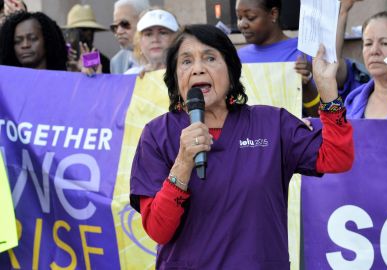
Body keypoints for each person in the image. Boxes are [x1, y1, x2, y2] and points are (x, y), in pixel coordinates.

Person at [129, 24, 353, 269]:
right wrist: (182, 164)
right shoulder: (157, 135)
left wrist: (328, 89)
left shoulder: (271, 124)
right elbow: (158, 231)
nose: (197, 69)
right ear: (174, 77)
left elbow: (337, 158)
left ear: (231, 70)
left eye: (210, 58)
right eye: (186, 62)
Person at [235, 0, 368, 116]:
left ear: (273, 14)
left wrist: (342, 11)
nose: (242, 24)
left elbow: (321, 111)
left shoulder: (304, 51)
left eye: (250, 17)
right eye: (239, 17)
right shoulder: (237, 57)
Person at [0, 11, 67, 71]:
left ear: (47, 40)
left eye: (33, 38)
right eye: (18, 41)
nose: (25, 45)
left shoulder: (67, 80)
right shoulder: (5, 83)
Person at [125, 8, 179, 75]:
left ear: (177, 39)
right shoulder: (130, 76)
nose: (155, 40)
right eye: (148, 34)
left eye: (163, 33)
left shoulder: (188, 73)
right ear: (139, 41)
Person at [63, 4, 110, 73]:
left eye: (91, 29)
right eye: (83, 29)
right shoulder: (61, 58)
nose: (89, 33)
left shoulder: (101, 61)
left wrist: (90, 67)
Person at [110, 0, 150, 74]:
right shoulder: (117, 62)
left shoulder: (162, 55)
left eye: (124, 24)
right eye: (115, 27)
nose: (119, 31)